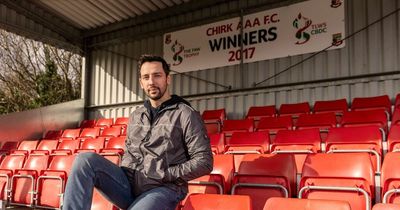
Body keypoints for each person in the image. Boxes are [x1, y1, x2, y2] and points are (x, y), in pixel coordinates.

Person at [62, 54, 213, 210]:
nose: (151, 82)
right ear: (141, 83)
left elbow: (204, 162)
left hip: (163, 188)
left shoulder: (185, 114)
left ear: (168, 78)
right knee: (85, 160)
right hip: (128, 185)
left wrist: (165, 174)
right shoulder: (136, 115)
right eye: (146, 77)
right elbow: (129, 153)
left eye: (157, 75)